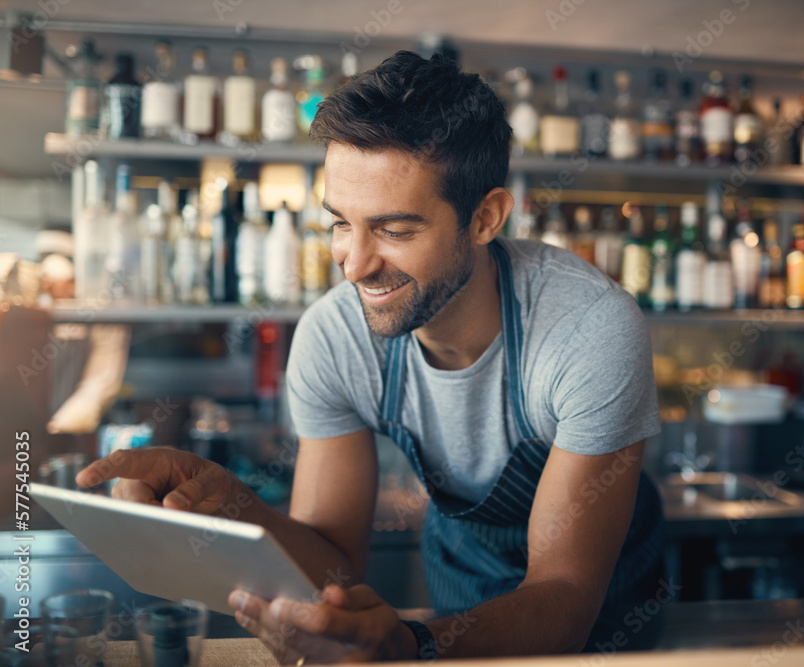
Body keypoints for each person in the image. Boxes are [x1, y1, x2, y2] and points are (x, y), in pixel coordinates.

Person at [77, 51, 666, 663]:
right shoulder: (335, 337)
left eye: (395, 230)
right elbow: (332, 558)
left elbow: (566, 597)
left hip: (608, 629)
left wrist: (410, 646)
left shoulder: (588, 330)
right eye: (339, 223)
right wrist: (233, 505)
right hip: (456, 612)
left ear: (485, 217)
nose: (354, 265)